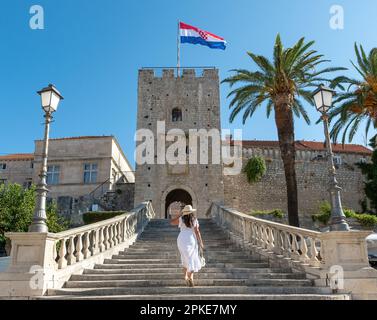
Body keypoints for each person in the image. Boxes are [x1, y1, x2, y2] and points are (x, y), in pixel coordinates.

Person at [170, 204, 204, 287]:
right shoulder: (194, 220)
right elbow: (197, 232)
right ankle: (190, 277)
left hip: (181, 239)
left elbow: (171, 222)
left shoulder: (181, 219)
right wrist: (201, 242)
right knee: (191, 257)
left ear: (184, 212)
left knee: (185, 257)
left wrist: (179, 214)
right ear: (192, 212)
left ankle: (186, 276)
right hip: (191, 239)